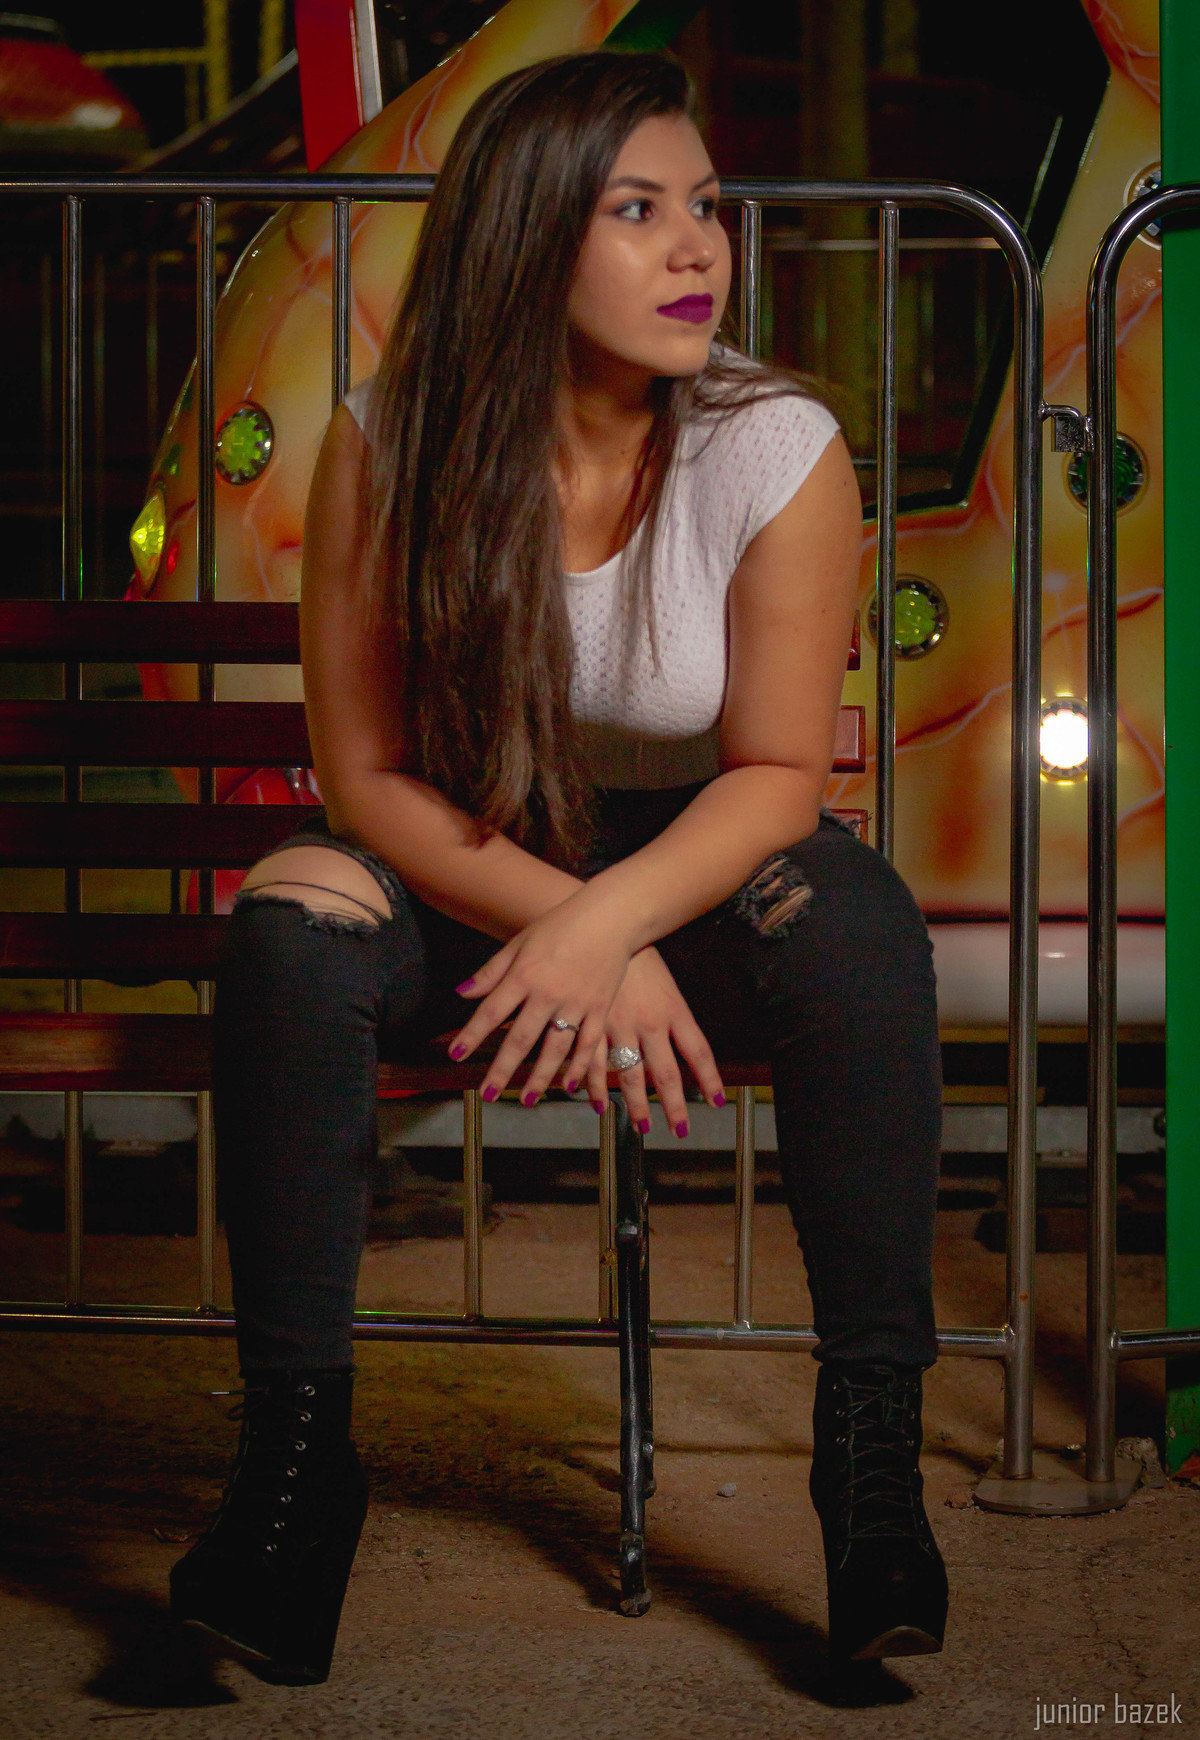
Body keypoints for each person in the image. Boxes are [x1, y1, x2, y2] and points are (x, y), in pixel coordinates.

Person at [169, 49, 949, 1685]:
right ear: (530, 234)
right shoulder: (391, 441)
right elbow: (366, 777)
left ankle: (873, 1464)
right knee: (293, 927)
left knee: (859, 923)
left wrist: (620, 923)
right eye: (638, 210)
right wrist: (583, 932)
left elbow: (780, 775)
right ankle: (292, 1479)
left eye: (708, 208)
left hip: (695, 872)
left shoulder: (776, 444)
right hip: (468, 863)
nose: (698, 247)